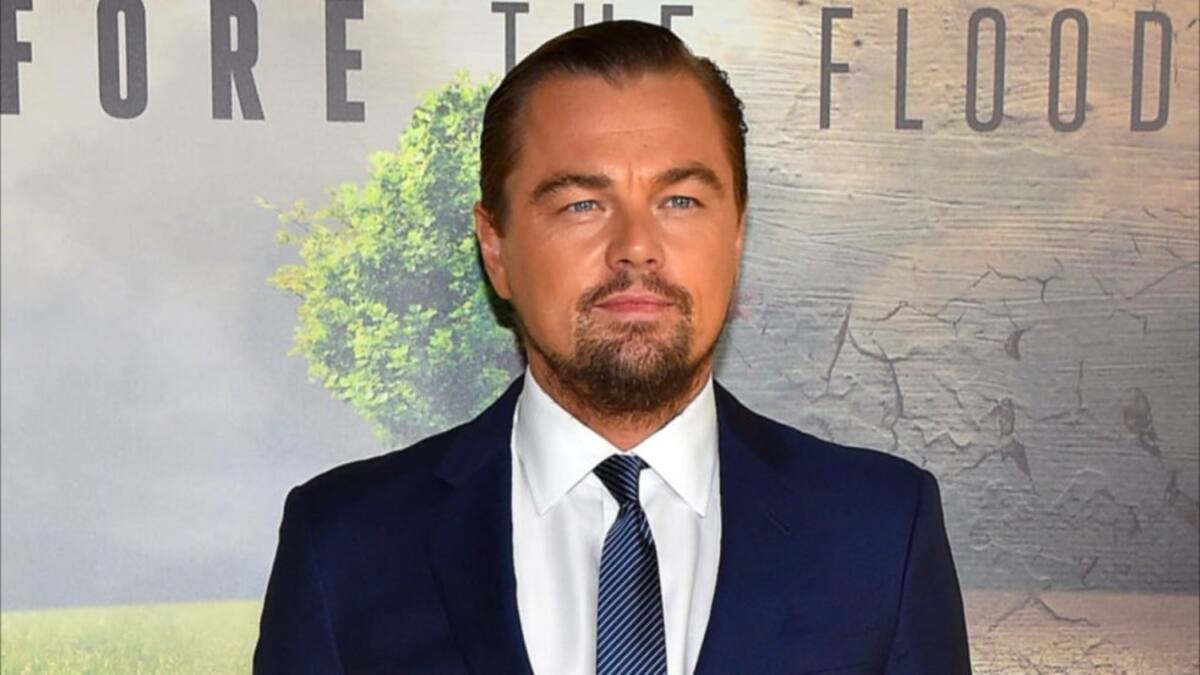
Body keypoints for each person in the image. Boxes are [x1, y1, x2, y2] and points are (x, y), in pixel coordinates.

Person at [254, 19, 971, 675]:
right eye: (582, 204)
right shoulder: (344, 546)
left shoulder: (881, 533)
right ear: (496, 248)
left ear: (737, 233)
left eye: (680, 200)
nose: (636, 246)